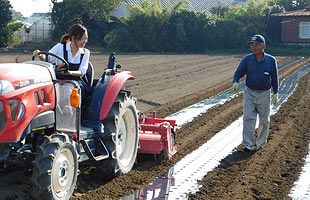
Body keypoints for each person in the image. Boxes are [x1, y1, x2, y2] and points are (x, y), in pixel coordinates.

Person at [232, 34, 279, 152]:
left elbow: (275, 77)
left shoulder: (270, 60)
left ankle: (261, 144)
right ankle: (248, 144)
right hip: (249, 92)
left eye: (256, 44)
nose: (253, 47)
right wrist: (235, 82)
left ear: (263, 46)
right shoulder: (247, 59)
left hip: (264, 93)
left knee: (264, 120)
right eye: (252, 44)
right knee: (248, 117)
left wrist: (276, 92)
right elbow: (239, 72)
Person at [33, 23, 90, 97]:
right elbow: (47, 59)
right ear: (73, 38)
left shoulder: (85, 52)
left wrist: (69, 73)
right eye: (82, 39)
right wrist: (39, 54)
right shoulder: (60, 47)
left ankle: (73, 108)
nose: (85, 41)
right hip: (59, 81)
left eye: (86, 39)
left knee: (71, 91)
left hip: (76, 82)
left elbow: (82, 71)